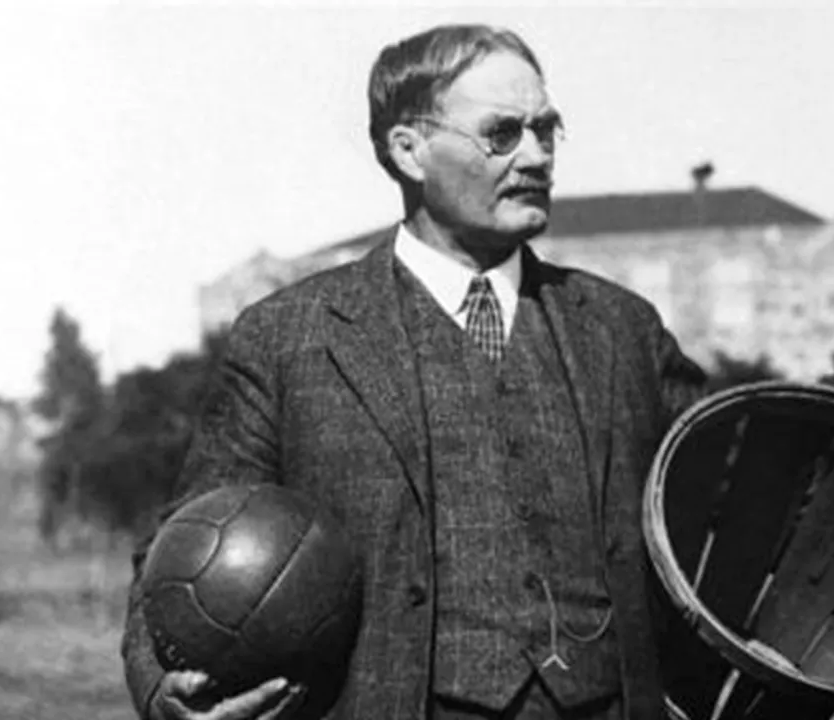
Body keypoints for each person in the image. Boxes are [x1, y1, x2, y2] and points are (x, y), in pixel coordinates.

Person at [121, 23, 707, 720]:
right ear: (409, 150)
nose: (537, 155)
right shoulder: (289, 338)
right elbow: (182, 544)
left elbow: (736, 508)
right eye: (503, 133)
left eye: (548, 130)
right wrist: (162, 686)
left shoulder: (623, 330)